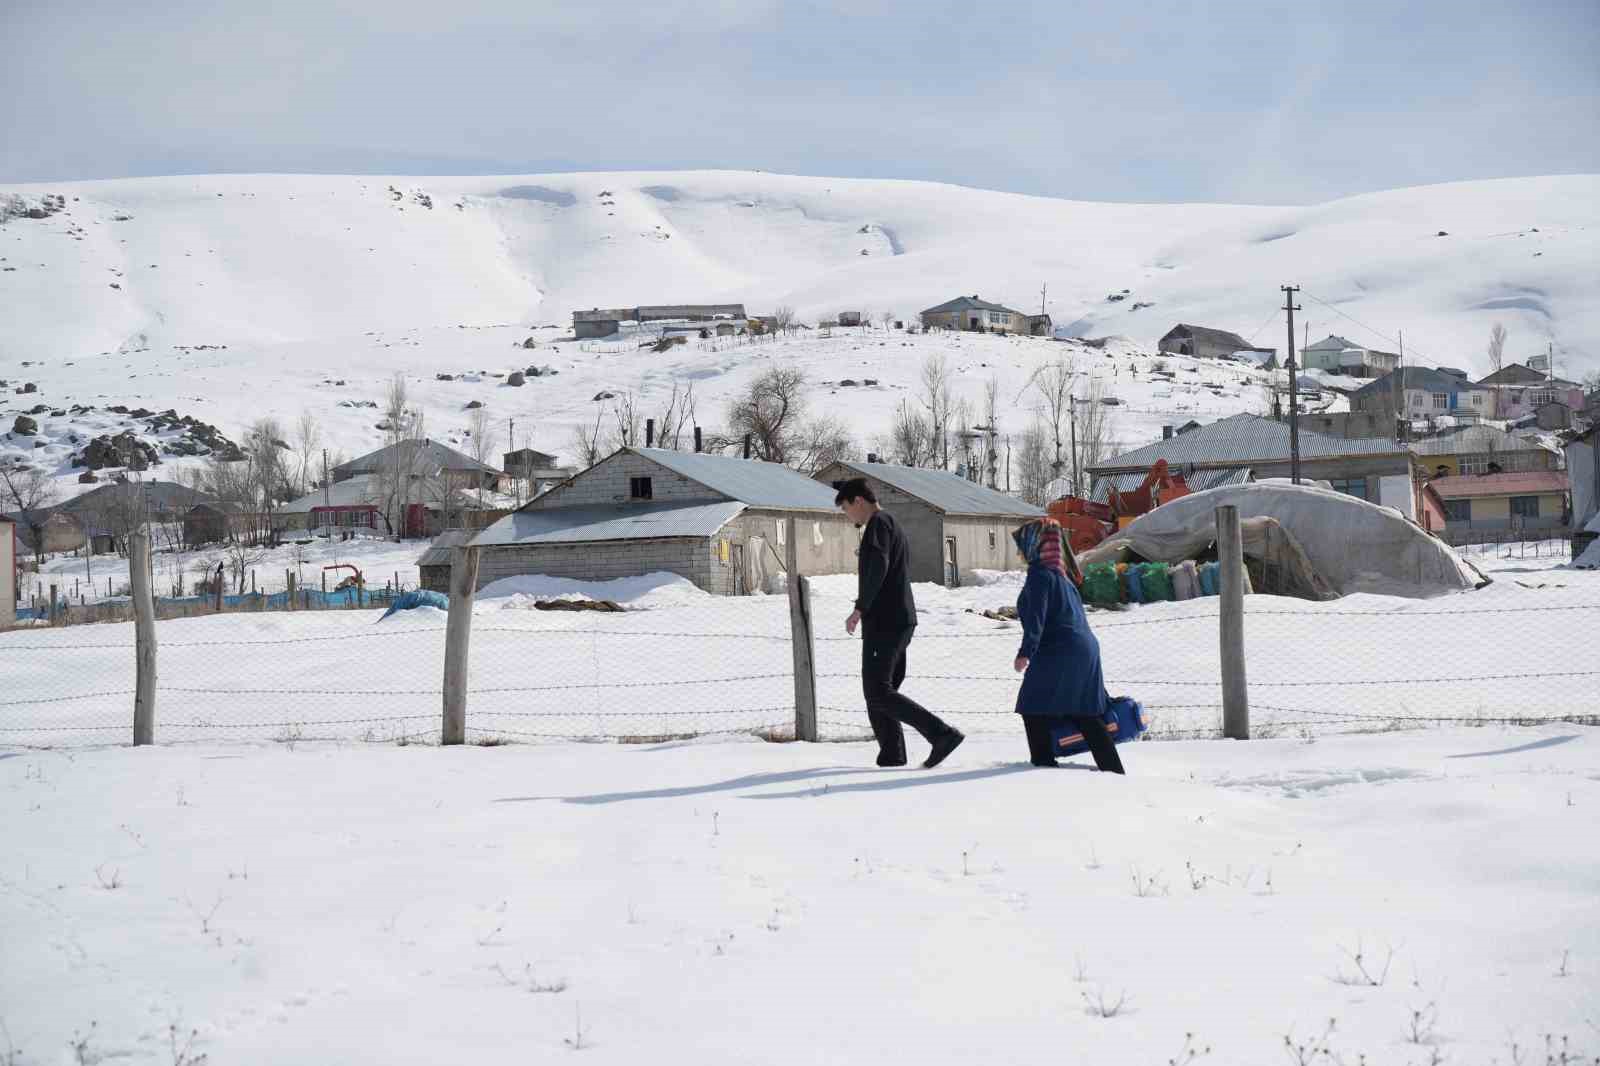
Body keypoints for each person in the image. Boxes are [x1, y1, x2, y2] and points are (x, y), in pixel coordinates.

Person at [834, 478, 964, 769]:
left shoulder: (879, 525)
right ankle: (892, 754)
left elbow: (878, 567)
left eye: (845, 508)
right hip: (897, 618)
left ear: (858, 501)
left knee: (878, 691)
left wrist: (860, 607)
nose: (847, 516)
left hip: (886, 620)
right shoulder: (889, 523)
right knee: (881, 692)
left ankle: (942, 734)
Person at [1011, 518, 1124, 773]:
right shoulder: (1062, 575)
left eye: (1021, 545)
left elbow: (1037, 619)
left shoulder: (1040, 574)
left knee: (1033, 704)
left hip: (1060, 650)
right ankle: (1114, 771)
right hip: (1082, 650)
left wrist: (1025, 653)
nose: (1019, 552)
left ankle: (1043, 765)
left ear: (1034, 545)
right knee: (1083, 710)